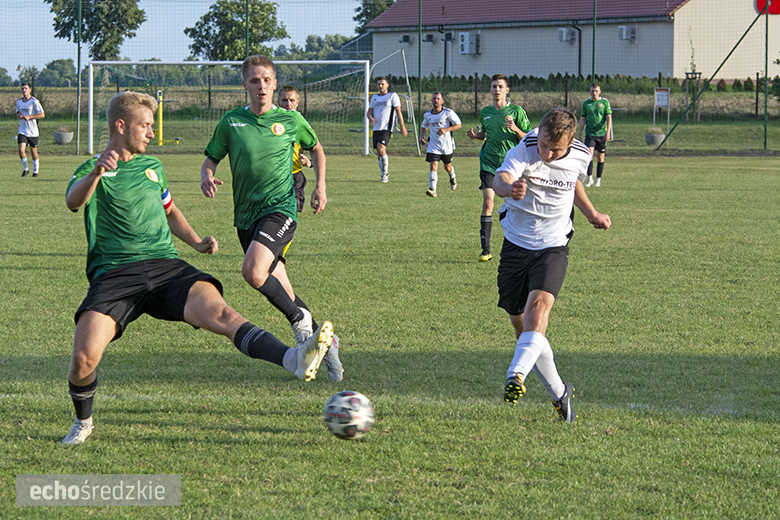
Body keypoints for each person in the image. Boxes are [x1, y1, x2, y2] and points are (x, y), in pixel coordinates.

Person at [62, 91, 334, 445]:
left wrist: (195, 242)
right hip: (115, 273)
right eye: (145, 126)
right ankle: (83, 421)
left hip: (165, 266)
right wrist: (98, 171)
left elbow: (170, 211)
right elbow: (73, 201)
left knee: (223, 314)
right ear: (121, 126)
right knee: (83, 359)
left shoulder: (153, 168)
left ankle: (294, 359)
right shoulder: (92, 168)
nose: (151, 133)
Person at [200, 55, 343, 383]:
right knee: (284, 289)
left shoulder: (290, 120)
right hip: (245, 217)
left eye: (266, 80)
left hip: (280, 209)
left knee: (253, 272)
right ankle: (328, 344)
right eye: (254, 80)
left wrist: (320, 185)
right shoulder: (231, 122)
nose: (261, 86)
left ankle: (299, 322)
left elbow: (317, 149)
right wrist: (207, 175)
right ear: (244, 85)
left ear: (275, 83)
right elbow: (211, 159)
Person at [493, 107, 612, 423]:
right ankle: (560, 394)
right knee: (523, 328)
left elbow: (573, 182)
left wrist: (592, 214)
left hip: (553, 245)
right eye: (544, 144)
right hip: (516, 243)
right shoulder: (528, 146)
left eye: (554, 149)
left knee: (538, 311)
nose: (546, 153)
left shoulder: (581, 155)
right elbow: (501, 178)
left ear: (570, 143)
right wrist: (509, 188)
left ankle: (515, 375)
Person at [467, 73, 531, 262]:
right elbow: (486, 134)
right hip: (488, 162)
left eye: (500, 86)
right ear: (490, 89)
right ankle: (485, 250)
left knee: (515, 206)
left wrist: (515, 129)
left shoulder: (517, 111)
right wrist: (476, 136)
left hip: (511, 165)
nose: (497, 89)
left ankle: (521, 245)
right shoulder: (485, 112)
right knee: (488, 202)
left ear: (507, 90)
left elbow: (529, 137)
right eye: (494, 86)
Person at [278, 85, 316, 213]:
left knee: (290, 213)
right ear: (278, 102)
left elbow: (316, 149)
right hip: (275, 176)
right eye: (284, 100)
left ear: (297, 102)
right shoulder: (271, 121)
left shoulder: (300, 123)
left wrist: (310, 162)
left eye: (292, 100)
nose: (288, 104)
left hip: (294, 175)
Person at [419, 91, 462, 198]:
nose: (436, 100)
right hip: (433, 145)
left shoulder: (448, 112)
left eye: (438, 98)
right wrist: (421, 137)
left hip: (446, 145)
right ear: (431, 101)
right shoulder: (428, 115)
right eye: (434, 98)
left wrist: (446, 129)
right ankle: (433, 189)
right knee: (433, 165)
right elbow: (424, 126)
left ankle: (452, 177)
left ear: (442, 101)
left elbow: (458, 125)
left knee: (447, 167)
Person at [367, 76, 407, 183]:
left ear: (387, 85)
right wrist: (370, 117)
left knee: (381, 148)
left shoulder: (392, 96)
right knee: (379, 152)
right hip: (376, 128)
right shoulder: (374, 97)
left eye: (382, 84)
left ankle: (385, 175)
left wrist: (402, 127)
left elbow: (398, 112)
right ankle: (382, 174)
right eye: (378, 84)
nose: (380, 86)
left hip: (386, 128)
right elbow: (369, 111)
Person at [578, 83, 612, 187]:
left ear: (599, 92)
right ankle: (590, 179)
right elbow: (582, 119)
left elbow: (608, 117)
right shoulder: (586, 104)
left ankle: (598, 179)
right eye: (593, 91)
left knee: (600, 157)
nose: (594, 93)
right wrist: (579, 133)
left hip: (601, 133)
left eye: (596, 91)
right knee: (589, 156)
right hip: (590, 133)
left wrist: (608, 132)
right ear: (590, 91)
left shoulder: (604, 102)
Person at [15, 82, 45, 178]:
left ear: (30, 90)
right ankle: (26, 169)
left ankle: (35, 171)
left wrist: (30, 117)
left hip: (33, 132)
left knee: (33, 152)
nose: (24, 90)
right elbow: (17, 113)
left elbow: (42, 114)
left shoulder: (34, 101)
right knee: (21, 149)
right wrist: (19, 115)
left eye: (26, 88)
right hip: (22, 130)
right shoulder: (19, 102)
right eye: (22, 88)